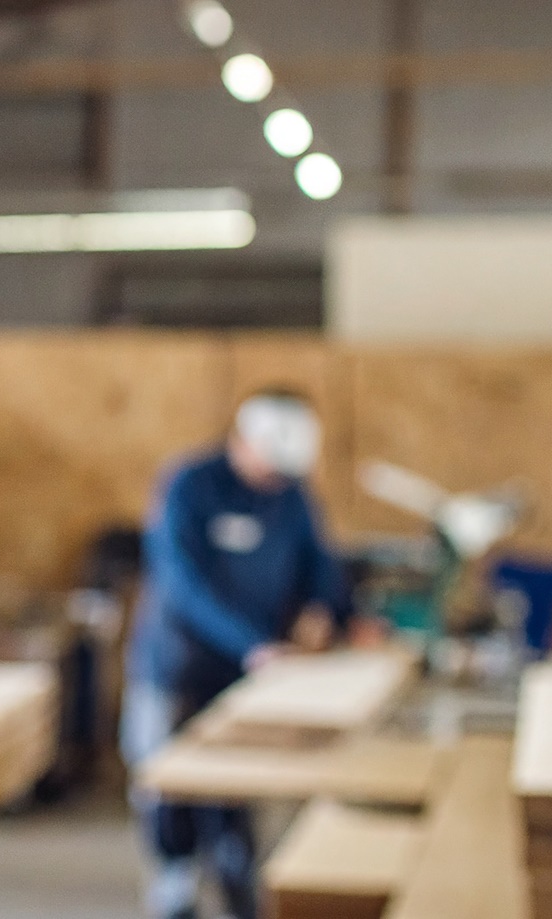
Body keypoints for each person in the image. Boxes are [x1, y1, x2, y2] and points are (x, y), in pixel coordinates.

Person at [123, 389, 355, 919]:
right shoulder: (188, 485)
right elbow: (184, 584)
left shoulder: (291, 494)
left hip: (244, 673)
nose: (274, 482)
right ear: (243, 441)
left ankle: (236, 881)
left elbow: (319, 560)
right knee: (168, 784)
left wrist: (329, 608)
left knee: (231, 795)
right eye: (269, 469)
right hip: (175, 668)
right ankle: (174, 885)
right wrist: (254, 644)